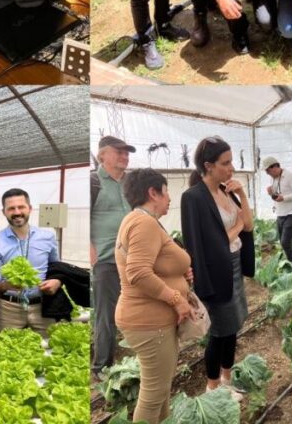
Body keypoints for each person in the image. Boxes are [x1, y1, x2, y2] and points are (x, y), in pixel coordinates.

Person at [113, 168, 194, 423]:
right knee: (153, 393)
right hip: (148, 322)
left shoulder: (139, 220)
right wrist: (176, 299)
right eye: (166, 191)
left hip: (151, 320)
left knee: (160, 390)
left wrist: (179, 272)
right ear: (153, 192)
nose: (169, 198)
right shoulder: (143, 223)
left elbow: (150, 264)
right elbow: (137, 272)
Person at [180, 136, 255, 398]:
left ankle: (227, 380)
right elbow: (215, 242)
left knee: (232, 326)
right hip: (214, 272)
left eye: (231, 161)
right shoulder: (193, 197)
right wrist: (234, 229)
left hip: (233, 265)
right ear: (209, 165)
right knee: (219, 332)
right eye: (226, 163)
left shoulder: (225, 190)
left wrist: (241, 194)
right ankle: (212, 387)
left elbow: (250, 225)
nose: (231, 167)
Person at [0, 188, 60, 335]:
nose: (17, 212)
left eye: (21, 207)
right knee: (7, 352)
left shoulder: (47, 237)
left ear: (30, 209)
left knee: (47, 351)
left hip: (44, 307)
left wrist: (57, 281)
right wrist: (7, 285)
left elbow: (57, 269)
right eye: (11, 208)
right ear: (4, 212)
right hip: (8, 309)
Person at [90, 135, 134, 377]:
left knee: (137, 308)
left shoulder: (130, 183)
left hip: (133, 258)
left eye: (127, 152)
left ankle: (136, 356)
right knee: (106, 316)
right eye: (119, 151)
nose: (125, 156)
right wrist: (90, 248)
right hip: (106, 259)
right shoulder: (93, 182)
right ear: (102, 155)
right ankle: (101, 367)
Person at [261, 157, 292, 266]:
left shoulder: (289, 176)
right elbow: (277, 197)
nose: (267, 174)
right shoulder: (273, 179)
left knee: (285, 242)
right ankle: (289, 264)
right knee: (283, 242)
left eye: (268, 171)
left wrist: (284, 198)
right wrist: (271, 193)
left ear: (275, 166)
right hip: (280, 214)